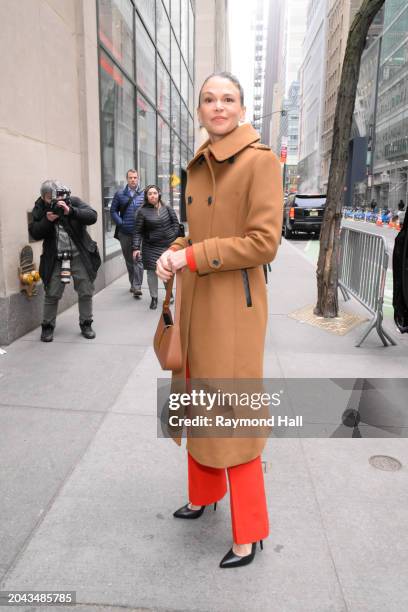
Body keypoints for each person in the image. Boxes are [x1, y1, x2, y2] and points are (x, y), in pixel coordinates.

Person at [156, 72, 284, 568]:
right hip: (198, 301)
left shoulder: (260, 162)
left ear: (242, 107)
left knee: (233, 413)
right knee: (195, 397)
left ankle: (249, 531)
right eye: (209, 99)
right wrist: (177, 250)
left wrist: (193, 256)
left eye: (227, 98)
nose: (218, 106)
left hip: (235, 307)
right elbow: (201, 233)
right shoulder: (200, 163)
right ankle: (204, 494)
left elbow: (262, 242)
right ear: (200, 109)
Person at [29, 180, 101, 342]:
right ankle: (47, 326)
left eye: (55, 196)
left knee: (86, 290)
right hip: (55, 258)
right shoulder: (40, 207)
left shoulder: (72, 201)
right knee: (52, 293)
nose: (53, 200)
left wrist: (71, 211)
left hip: (79, 255)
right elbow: (34, 233)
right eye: (49, 198)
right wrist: (48, 220)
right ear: (43, 197)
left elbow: (93, 216)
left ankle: (86, 323)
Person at [132, 185, 180, 310]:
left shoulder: (167, 208)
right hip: (150, 246)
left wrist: (173, 237)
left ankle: (169, 295)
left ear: (159, 194)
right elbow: (137, 231)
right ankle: (154, 298)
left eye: (154, 193)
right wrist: (136, 248)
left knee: (166, 271)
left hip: (167, 246)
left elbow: (176, 224)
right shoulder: (142, 212)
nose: (152, 196)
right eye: (150, 194)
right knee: (152, 273)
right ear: (146, 197)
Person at [110, 169, 144, 298]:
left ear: (138, 178)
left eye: (135, 177)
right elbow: (113, 211)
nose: (133, 180)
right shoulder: (119, 194)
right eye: (130, 178)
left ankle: (137, 286)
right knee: (129, 260)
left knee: (138, 259)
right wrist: (121, 223)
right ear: (127, 179)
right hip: (125, 233)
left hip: (139, 233)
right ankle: (133, 283)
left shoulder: (143, 194)